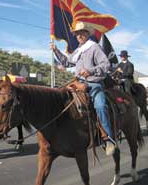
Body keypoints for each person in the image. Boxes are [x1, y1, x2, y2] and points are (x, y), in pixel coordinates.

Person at [50, 21, 116, 156]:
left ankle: (108, 139)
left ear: (87, 33)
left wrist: (90, 71)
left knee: (100, 106)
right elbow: (66, 62)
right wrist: (56, 50)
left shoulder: (94, 47)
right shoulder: (78, 50)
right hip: (77, 83)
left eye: (81, 33)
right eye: (77, 34)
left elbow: (106, 64)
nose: (79, 35)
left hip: (93, 84)